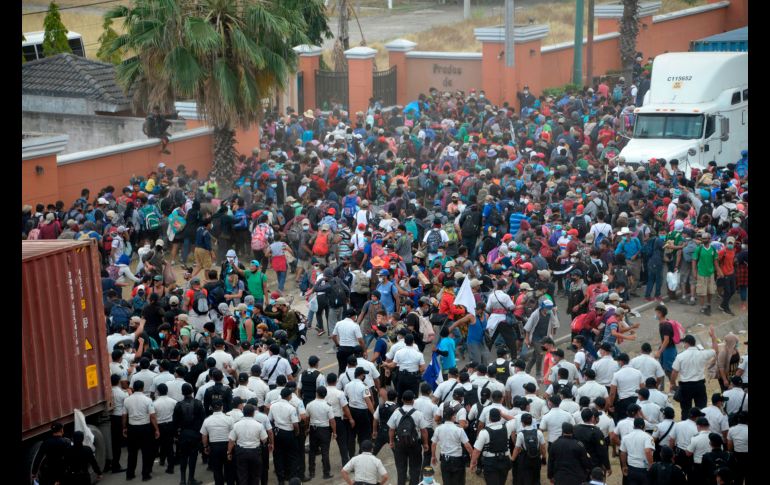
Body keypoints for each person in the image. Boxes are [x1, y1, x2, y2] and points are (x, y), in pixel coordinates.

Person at [670, 327, 719, 419]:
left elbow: (674, 372)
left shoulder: (680, 356)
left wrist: (672, 383)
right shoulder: (702, 354)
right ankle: (701, 424)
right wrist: (713, 337)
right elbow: (715, 350)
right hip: (699, 385)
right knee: (701, 409)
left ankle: (686, 425)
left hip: (685, 387)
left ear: (686, 343)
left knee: (685, 410)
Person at [388, 390, 430, 485]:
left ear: (402, 400)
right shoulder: (418, 413)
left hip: (400, 444)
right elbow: (424, 431)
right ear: (413, 400)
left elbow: (391, 429)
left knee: (401, 469)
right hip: (414, 444)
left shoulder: (396, 412)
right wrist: (425, 444)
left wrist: (391, 441)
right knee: (415, 469)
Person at [123, 380, 160, 481]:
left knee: (132, 452)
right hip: (145, 428)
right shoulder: (147, 400)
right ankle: (145, 475)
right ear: (142, 388)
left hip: (132, 428)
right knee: (146, 452)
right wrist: (156, 429)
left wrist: (124, 427)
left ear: (133, 388)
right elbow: (152, 416)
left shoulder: (127, 400)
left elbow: (124, 415)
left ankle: (130, 474)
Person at [470, 408, 514, 485]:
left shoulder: (484, 432)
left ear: (489, 418)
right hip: (504, 460)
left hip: (490, 462)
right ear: (500, 417)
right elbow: (515, 420)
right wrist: (502, 414)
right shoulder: (507, 427)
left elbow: (477, 451)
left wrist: (473, 462)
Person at [431, 404, 473, 485]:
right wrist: (472, 456)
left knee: (447, 482)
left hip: (444, 460)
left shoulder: (438, 429)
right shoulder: (459, 429)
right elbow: (467, 445)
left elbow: (433, 444)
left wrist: (433, 456)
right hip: (457, 460)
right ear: (452, 417)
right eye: (454, 415)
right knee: (458, 482)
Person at [227, 404, 268, 485]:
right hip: (255, 452)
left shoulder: (236, 425)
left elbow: (231, 441)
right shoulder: (259, 425)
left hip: (241, 452)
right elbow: (264, 440)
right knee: (255, 476)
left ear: (243, 412)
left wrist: (229, 452)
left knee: (242, 475)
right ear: (253, 413)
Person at [173, 383, 205, 485]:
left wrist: (176, 435)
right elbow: (203, 420)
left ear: (182, 393)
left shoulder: (178, 405)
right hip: (195, 434)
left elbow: (175, 422)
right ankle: (191, 479)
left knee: (183, 457)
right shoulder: (198, 404)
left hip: (183, 434)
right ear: (192, 391)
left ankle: (182, 480)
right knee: (193, 457)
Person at [268, 387, 300, 484]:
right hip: (288, 433)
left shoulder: (273, 406)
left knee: (278, 456)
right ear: (289, 396)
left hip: (277, 433)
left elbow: (270, 420)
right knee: (292, 456)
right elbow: (295, 424)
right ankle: (292, 478)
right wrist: (296, 432)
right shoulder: (291, 408)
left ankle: (281, 480)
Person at [201, 399, 235, 485]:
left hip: (214, 447)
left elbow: (204, 435)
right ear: (222, 407)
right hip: (227, 446)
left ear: (211, 408)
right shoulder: (229, 418)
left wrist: (205, 447)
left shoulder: (207, 420)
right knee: (229, 469)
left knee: (217, 470)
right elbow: (233, 434)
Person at [306, 386, 336, 479]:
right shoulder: (328, 406)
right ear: (325, 395)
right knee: (325, 452)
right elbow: (332, 421)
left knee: (312, 451)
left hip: (313, 429)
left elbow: (307, 418)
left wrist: (307, 428)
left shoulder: (310, 404)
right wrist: (334, 432)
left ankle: (311, 472)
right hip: (325, 430)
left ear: (316, 393)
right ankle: (326, 473)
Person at [510, 413, 547, 485]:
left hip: (525, 459)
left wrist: (512, 459)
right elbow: (543, 447)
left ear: (522, 423)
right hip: (536, 458)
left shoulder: (521, 434)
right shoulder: (539, 432)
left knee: (526, 478)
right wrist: (544, 457)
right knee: (536, 478)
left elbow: (517, 449)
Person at [692, 231, 723, 316]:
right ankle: (702, 307)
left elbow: (715, 262)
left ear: (709, 239)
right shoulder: (699, 248)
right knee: (702, 292)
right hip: (701, 273)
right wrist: (694, 272)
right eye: (703, 238)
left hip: (711, 274)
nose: (704, 240)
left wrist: (719, 271)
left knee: (710, 291)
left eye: (706, 238)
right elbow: (694, 260)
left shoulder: (713, 249)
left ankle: (708, 304)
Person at [620, 417, 655, 485]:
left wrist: (624, 465)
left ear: (634, 426)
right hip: (644, 469)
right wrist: (651, 465)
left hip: (631, 468)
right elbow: (648, 451)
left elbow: (623, 453)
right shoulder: (647, 437)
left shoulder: (626, 437)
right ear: (643, 426)